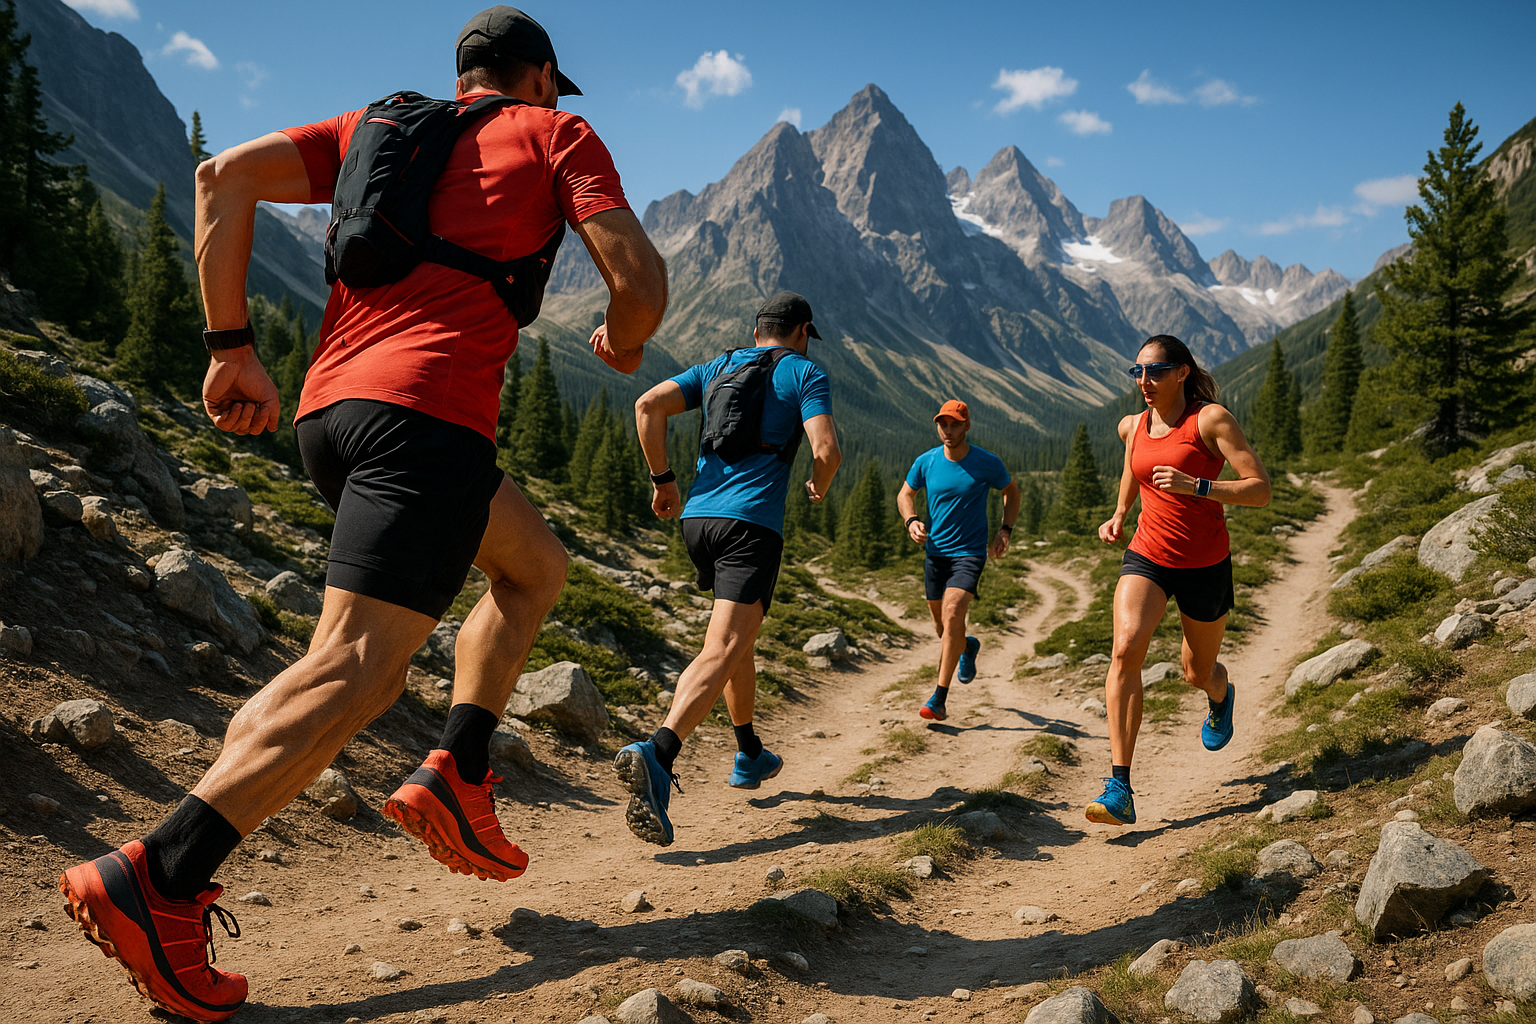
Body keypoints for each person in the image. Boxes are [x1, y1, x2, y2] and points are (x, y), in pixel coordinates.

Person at [58, 7, 667, 1020]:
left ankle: (459, 770)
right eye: (556, 86)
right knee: (357, 667)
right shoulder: (556, 133)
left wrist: (228, 348)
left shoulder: (378, 129)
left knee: (534, 566)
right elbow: (639, 278)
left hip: (334, 414)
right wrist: (624, 338)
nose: (560, 101)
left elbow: (225, 179)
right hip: (426, 424)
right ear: (541, 76)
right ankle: (157, 879)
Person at [617, 291, 841, 846]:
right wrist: (821, 481)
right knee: (721, 648)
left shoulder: (720, 365)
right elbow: (827, 448)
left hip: (700, 521)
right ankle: (659, 753)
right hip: (751, 527)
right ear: (802, 330)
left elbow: (647, 406)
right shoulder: (804, 372)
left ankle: (748, 754)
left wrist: (663, 481)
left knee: (740, 639)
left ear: (759, 327)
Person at [1087, 334, 1270, 826]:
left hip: (1205, 564)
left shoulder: (1210, 420)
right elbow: (1134, 462)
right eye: (1139, 372)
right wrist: (1121, 511)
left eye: (1157, 371)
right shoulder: (1134, 424)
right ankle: (1119, 786)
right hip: (1148, 554)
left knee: (1197, 671)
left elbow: (1260, 489)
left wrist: (1200, 487)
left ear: (1183, 372)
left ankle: (1219, 694)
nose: (1145, 381)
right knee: (1125, 649)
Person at [896, 400, 1020, 722]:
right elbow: (904, 494)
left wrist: (1005, 529)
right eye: (942, 424)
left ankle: (938, 698)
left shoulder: (986, 462)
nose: (948, 431)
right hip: (935, 554)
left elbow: (1012, 491)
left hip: (969, 554)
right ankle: (967, 646)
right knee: (942, 627)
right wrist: (911, 521)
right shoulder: (926, 462)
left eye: (954, 424)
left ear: (967, 426)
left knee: (953, 612)